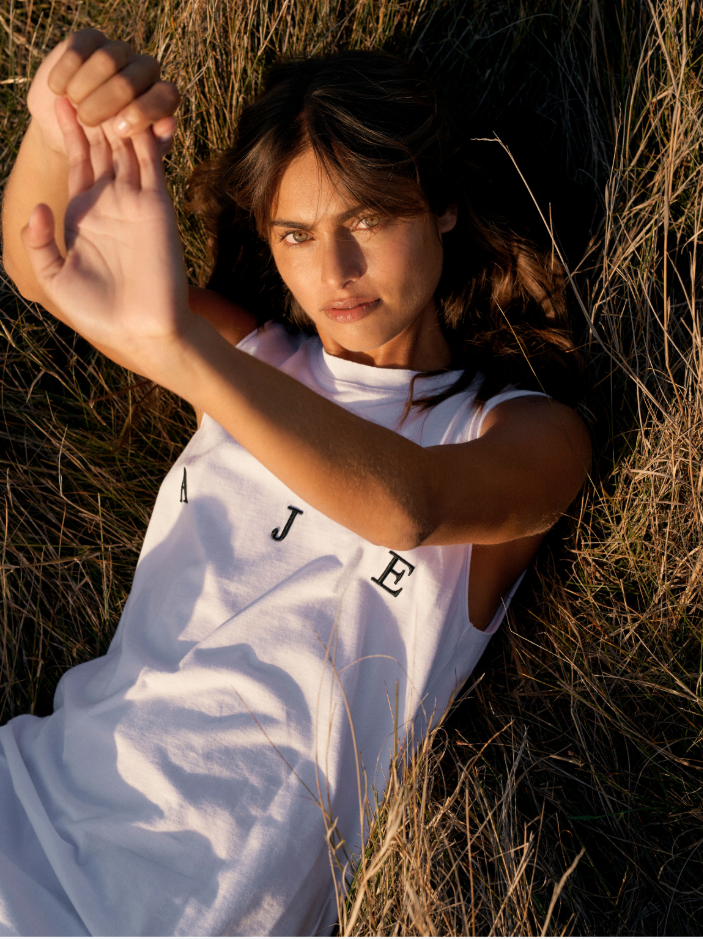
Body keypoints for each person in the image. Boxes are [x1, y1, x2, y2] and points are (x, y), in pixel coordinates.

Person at [0, 30, 591, 937]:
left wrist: (179, 351)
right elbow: (46, 266)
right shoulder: (250, 357)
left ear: (440, 206)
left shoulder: (522, 432)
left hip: (186, 900)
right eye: (296, 234)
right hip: (34, 787)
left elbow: (407, 507)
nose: (333, 270)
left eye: (368, 220)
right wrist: (55, 126)